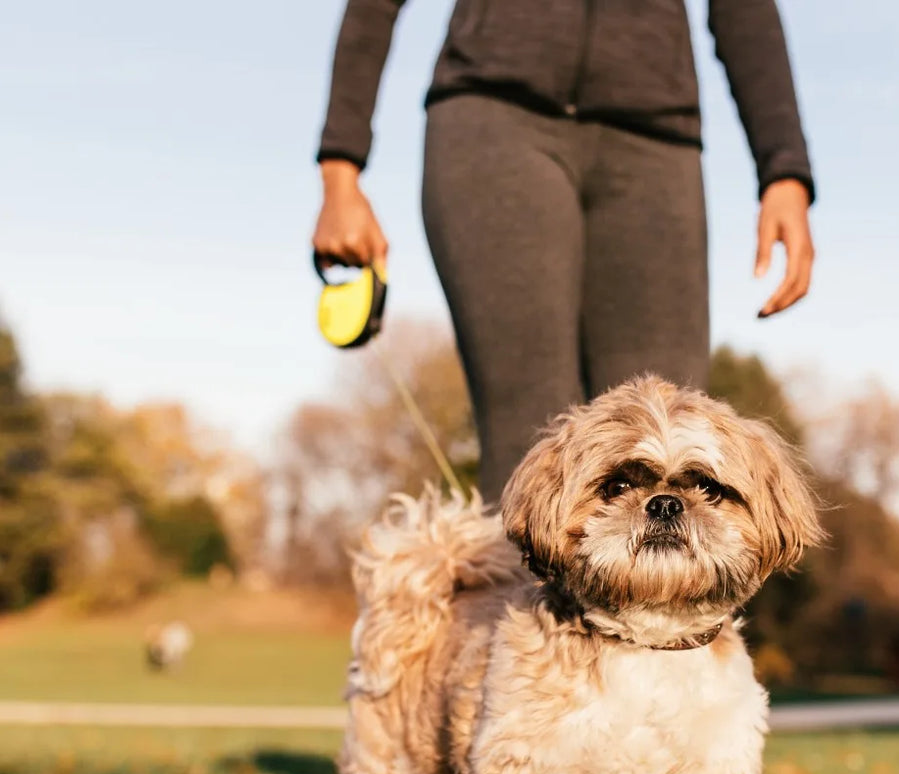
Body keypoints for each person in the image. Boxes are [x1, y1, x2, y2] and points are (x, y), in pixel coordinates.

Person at [311, 0, 818, 501]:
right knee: (530, 439)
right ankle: (518, 581)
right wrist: (341, 170)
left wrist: (785, 170)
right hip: (493, 118)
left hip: (656, 140)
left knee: (665, 434)